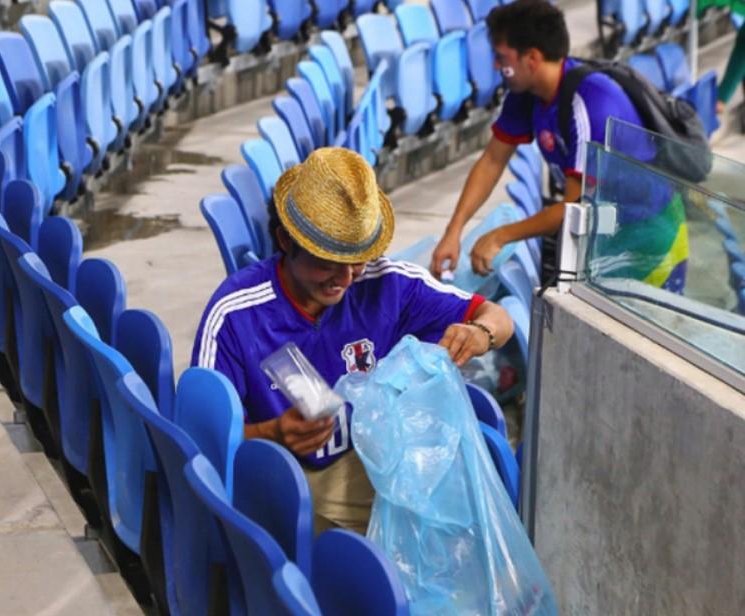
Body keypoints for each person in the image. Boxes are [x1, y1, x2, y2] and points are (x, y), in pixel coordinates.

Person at [191, 148, 512, 534]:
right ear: (285, 241)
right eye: (327, 261)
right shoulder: (237, 313)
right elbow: (200, 436)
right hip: (280, 481)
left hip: (361, 463)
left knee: (465, 512)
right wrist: (271, 433)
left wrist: (480, 333)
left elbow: (497, 317)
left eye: (357, 259)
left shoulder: (387, 285)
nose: (344, 278)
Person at [431, 0, 688, 292]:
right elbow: (492, 160)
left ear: (532, 58)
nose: (496, 66)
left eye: (502, 58)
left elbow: (573, 206)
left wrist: (501, 236)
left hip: (650, 240)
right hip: (604, 234)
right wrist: (453, 232)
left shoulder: (589, 104)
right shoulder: (527, 92)